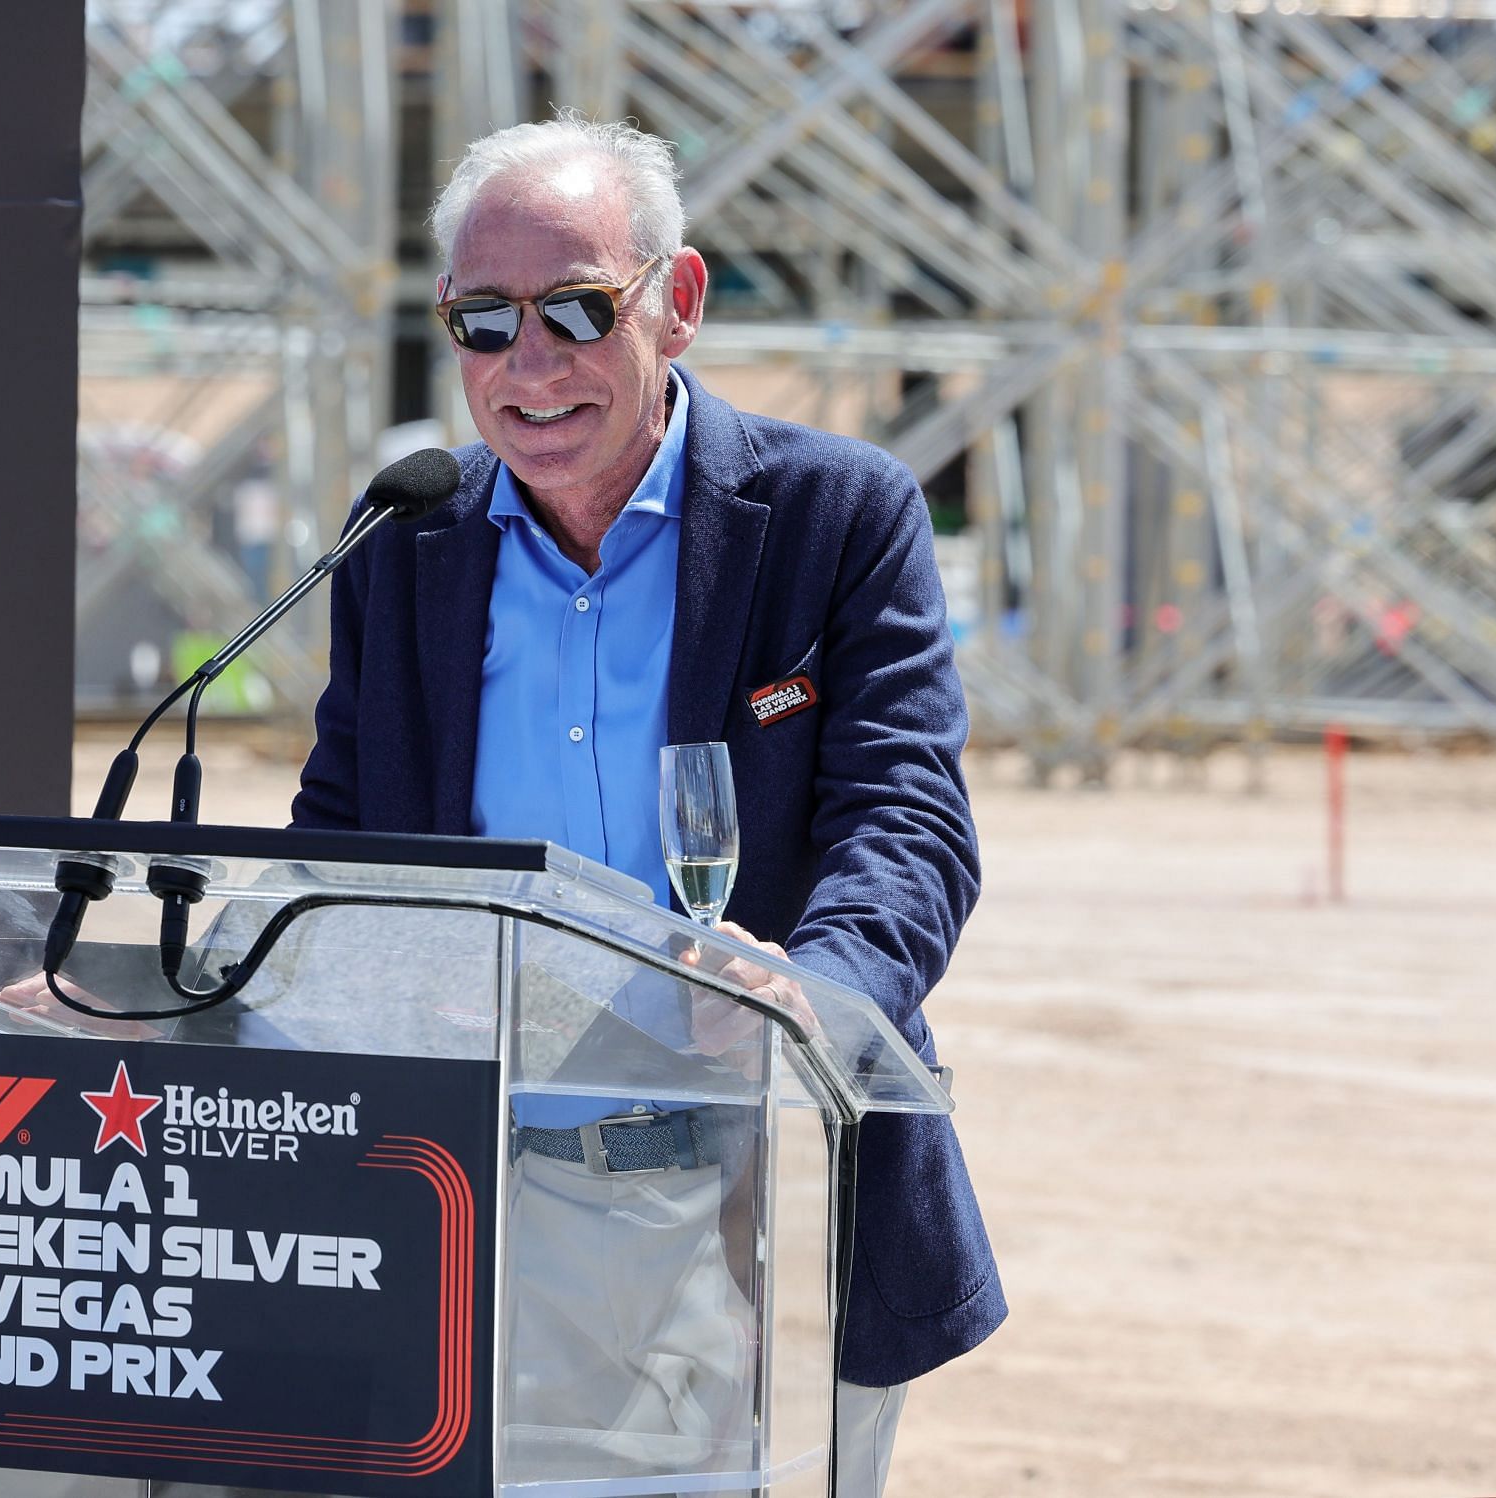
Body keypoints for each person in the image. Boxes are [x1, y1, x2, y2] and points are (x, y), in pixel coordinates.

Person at [291, 112, 1003, 1493]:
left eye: (575, 307)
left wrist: (811, 992)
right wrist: (157, 995)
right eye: (483, 321)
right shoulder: (404, 548)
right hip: (485, 1201)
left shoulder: (836, 518)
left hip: (770, 1186)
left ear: (677, 304)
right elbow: (339, 850)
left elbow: (907, 821)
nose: (530, 363)